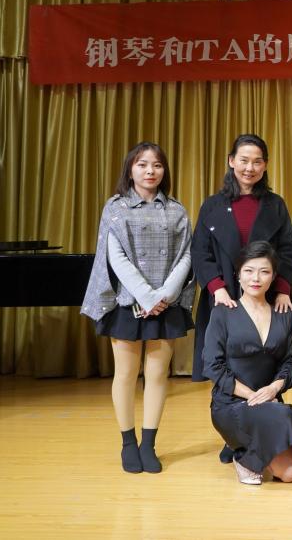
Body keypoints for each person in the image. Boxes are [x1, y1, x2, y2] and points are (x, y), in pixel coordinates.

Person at [81, 142, 194, 474]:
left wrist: (165, 295)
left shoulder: (176, 209)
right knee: (126, 374)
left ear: (164, 170)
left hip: (166, 303)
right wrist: (147, 296)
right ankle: (128, 443)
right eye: (142, 164)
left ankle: (149, 444)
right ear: (130, 169)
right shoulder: (115, 207)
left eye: (157, 165)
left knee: (157, 375)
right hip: (128, 303)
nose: (150, 171)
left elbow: (186, 255)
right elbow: (115, 258)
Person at [190, 133, 292, 464]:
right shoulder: (212, 205)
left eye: (257, 162)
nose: (250, 167)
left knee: (266, 358)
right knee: (227, 363)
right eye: (244, 160)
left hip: (266, 294)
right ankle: (233, 433)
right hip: (224, 296)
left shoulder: (275, 204)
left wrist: (283, 289)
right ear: (231, 161)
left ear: (265, 166)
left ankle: (256, 424)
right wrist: (217, 288)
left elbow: (287, 251)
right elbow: (200, 251)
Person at [203, 241, 292, 485]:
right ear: (238, 274)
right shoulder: (223, 312)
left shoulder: (284, 314)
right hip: (232, 403)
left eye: (264, 271)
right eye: (248, 271)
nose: (255, 278)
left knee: (291, 473)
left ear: (274, 276)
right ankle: (244, 457)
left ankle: (241, 445)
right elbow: (212, 365)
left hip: (270, 402)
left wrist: (274, 389)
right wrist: (252, 396)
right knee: (281, 416)